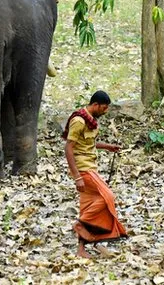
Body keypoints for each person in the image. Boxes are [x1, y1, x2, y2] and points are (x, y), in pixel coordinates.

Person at [64, 90, 128, 258]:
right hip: (84, 169)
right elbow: (69, 149)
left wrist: (107, 146)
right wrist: (77, 177)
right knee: (108, 197)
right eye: (104, 108)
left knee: (87, 207)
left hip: (91, 165)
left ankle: (81, 250)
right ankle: (79, 224)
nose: (105, 111)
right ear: (95, 105)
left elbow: (88, 144)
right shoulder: (78, 121)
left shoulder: (90, 120)